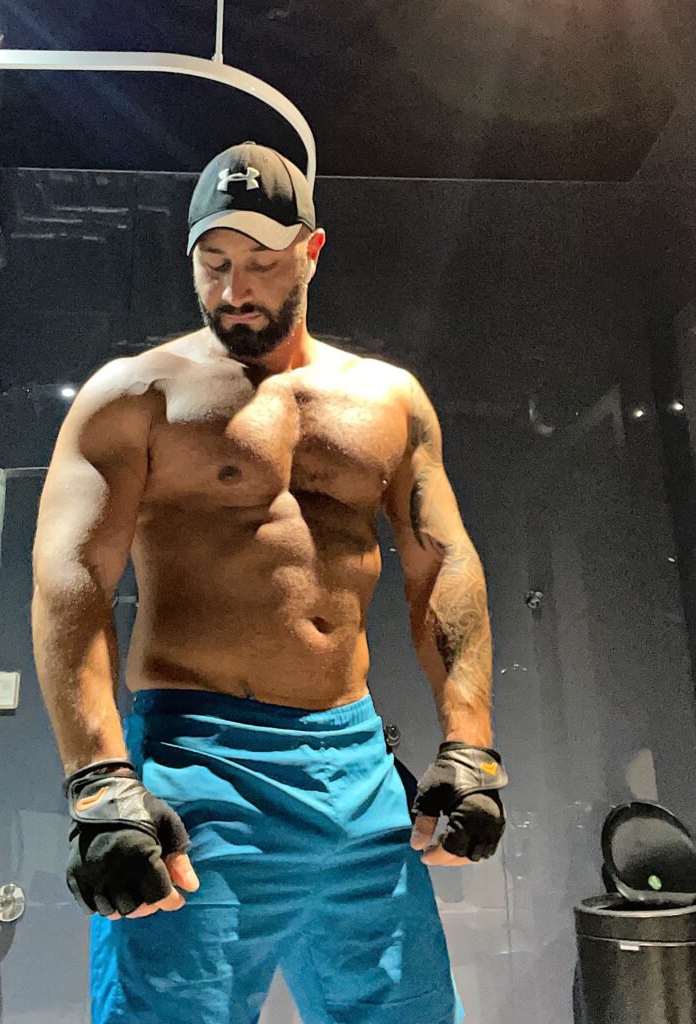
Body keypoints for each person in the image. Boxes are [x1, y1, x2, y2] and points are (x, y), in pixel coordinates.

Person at [31, 141, 509, 1024]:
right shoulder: (135, 396)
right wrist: (99, 783)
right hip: (200, 767)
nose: (233, 289)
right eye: (213, 263)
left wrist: (469, 746)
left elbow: (440, 562)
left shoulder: (388, 400)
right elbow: (73, 581)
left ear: (310, 252)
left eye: (259, 262)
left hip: (354, 767)